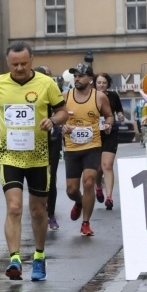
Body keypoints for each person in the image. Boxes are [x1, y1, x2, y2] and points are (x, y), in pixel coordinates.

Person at [0, 41, 67, 282]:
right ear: (8, 63)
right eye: (14, 64)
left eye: (24, 63)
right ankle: (15, 259)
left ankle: (39, 257)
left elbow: (62, 111)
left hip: (39, 154)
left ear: (31, 60)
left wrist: (52, 120)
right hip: (10, 154)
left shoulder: (46, 83)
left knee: (39, 210)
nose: (19, 68)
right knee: (15, 207)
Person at [62, 63, 114, 236]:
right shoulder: (65, 96)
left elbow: (109, 115)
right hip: (71, 148)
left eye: (81, 76)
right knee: (71, 189)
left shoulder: (99, 97)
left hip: (92, 146)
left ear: (90, 79)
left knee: (89, 181)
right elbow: (56, 117)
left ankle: (86, 223)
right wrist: (62, 126)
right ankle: (78, 202)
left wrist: (108, 123)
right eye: (75, 76)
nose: (77, 79)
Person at [34, 66, 63, 231]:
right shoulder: (27, 92)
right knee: (35, 178)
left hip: (52, 137)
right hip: (31, 140)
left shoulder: (54, 90)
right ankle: (37, 210)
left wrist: (55, 120)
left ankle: (50, 215)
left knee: (50, 178)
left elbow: (63, 112)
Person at [94, 72, 124, 211]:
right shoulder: (91, 96)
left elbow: (119, 109)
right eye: (99, 82)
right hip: (94, 133)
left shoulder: (113, 96)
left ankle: (109, 197)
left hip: (110, 132)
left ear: (108, 84)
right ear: (95, 83)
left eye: (104, 83)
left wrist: (120, 114)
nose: (101, 85)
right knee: (98, 168)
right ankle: (99, 187)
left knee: (107, 165)